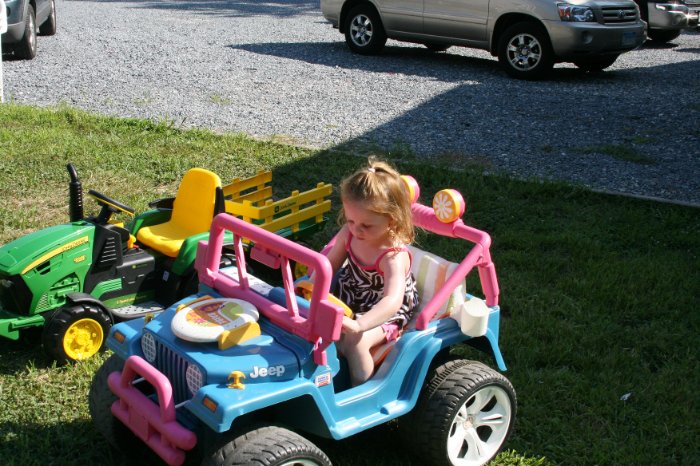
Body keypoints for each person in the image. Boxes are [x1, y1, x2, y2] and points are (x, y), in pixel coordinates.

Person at [324, 158, 419, 386]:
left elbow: (392, 301)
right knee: (320, 328)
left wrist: (360, 325)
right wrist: (313, 286)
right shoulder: (350, 232)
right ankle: (329, 378)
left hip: (384, 310)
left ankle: (360, 392)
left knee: (354, 342)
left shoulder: (392, 256)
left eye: (366, 225)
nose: (356, 229)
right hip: (352, 293)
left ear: (391, 220)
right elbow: (330, 265)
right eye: (350, 220)